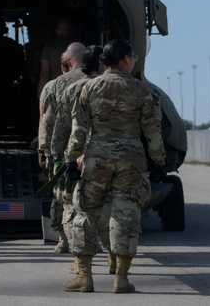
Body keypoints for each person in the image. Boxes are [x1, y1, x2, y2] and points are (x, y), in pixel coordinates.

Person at [64, 39, 165, 293]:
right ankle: (121, 277)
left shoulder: (89, 88)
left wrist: (70, 160)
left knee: (86, 211)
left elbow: (79, 130)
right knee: (125, 214)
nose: (134, 61)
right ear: (124, 59)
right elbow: (153, 131)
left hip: (95, 158)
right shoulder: (142, 90)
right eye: (133, 57)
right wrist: (159, 161)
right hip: (130, 160)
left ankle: (85, 276)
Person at [37, 42, 89, 253]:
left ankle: (63, 239)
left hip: (65, 151)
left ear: (68, 62)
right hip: (92, 151)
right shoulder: (97, 82)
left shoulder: (55, 85)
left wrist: (44, 149)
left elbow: (47, 121)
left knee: (61, 196)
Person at [37, 17, 78, 100]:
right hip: (77, 91)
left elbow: (44, 75)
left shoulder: (49, 47)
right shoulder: (80, 45)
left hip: (57, 92)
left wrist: (40, 98)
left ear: (57, 30)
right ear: (72, 30)